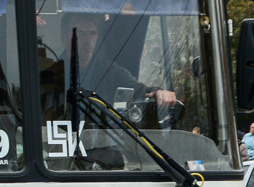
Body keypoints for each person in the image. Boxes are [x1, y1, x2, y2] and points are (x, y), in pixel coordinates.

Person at [45, 12, 177, 118]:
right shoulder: (48, 76)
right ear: (64, 36)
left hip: (100, 147)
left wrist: (159, 93)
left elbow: (140, 91)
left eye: (92, 33)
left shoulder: (110, 73)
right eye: (80, 33)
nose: (88, 40)